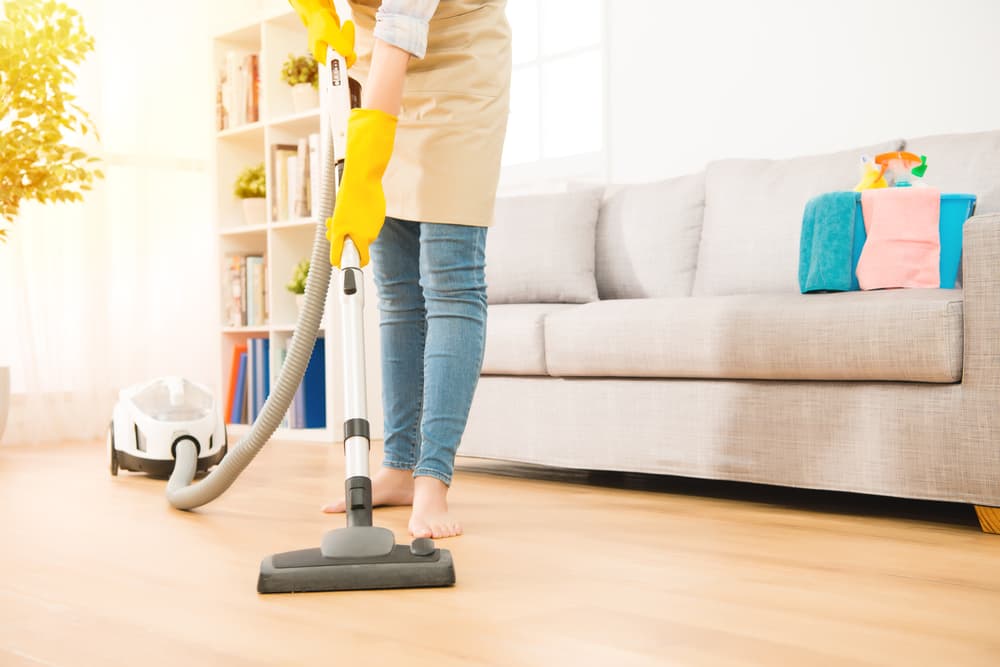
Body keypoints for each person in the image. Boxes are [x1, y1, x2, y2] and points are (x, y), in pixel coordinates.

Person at [288, 0, 511, 539]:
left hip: (460, 65)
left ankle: (433, 480)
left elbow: (399, 31)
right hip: (375, 66)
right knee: (396, 292)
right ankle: (398, 467)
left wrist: (364, 173)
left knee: (451, 282)